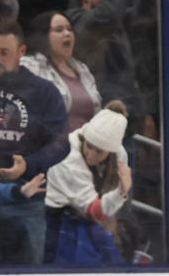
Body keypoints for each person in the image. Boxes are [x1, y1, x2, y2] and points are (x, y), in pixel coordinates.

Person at [0, 18, 68, 264]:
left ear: (21, 51)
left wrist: (28, 164)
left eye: (4, 52)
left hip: (27, 201)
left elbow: (61, 143)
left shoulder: (43, 91)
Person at [44, 101, 133, 264]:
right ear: (84, 138)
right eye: (89, 146)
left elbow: (105, 209)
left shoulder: (119, 155)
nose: (91, 154)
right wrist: (121, 192)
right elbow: (94, 211)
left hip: (90, 220)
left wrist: (121, 193)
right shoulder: (66, 155)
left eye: (99, 151)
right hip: (56, 219)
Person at [67, 0, 150, 133]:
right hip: (98, 117)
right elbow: (107, 14)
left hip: (129, 114)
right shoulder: (76, 20)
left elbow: (150, 8)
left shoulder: (121, 19)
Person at [21, 11, 102, 132]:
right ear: (44, 36)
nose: (67, 34)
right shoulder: (29, 66)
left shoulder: (82, 68)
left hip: (84, 147)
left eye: (70, 29)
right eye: (59, 30)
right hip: (49, 146)